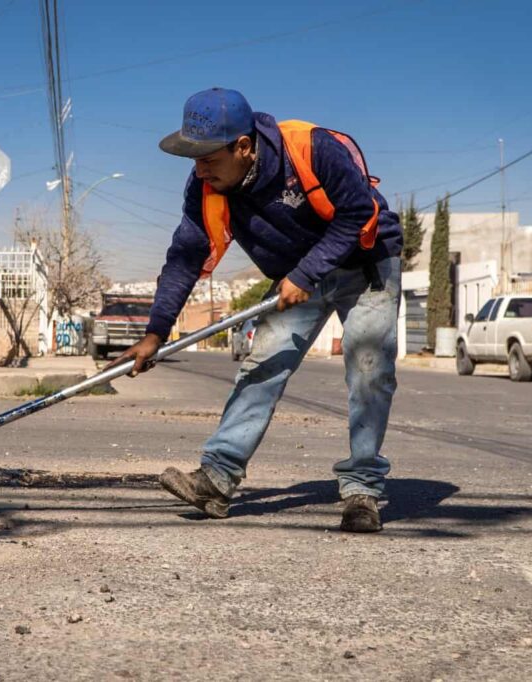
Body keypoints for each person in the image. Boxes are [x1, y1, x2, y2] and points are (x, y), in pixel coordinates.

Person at [113, 88, 403, 532]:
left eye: (208, 157)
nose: (199, 169)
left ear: (244, 147)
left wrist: (305, 274)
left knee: (369, 369)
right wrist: (156, 333)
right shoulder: (207, 186)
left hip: (366, 259)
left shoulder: (312, 148)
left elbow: (356, 212)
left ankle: (362, 490)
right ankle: (216, 479)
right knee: (262, 364)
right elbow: (186, 256)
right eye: (193, 159)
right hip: (297, 273)